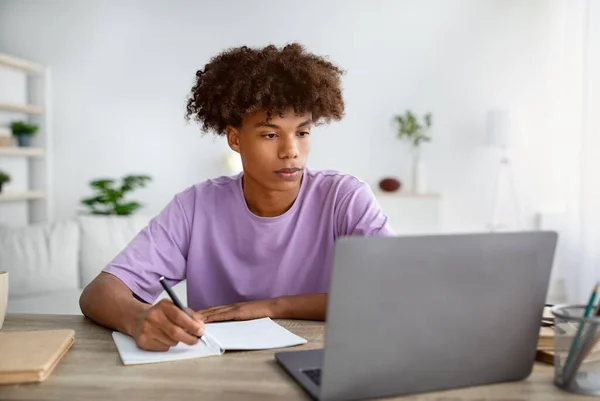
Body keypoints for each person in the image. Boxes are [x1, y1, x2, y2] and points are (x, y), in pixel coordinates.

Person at [79, 43, 393, 351]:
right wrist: (139, 318)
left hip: (322, 360)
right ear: (235, 139)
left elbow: (392, 292)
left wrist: (273, 306)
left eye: (302, 132)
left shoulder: (344, 198)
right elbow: (98, 293)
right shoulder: (195, 207)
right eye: (270, 134)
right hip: (218, 373)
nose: (290, 151)